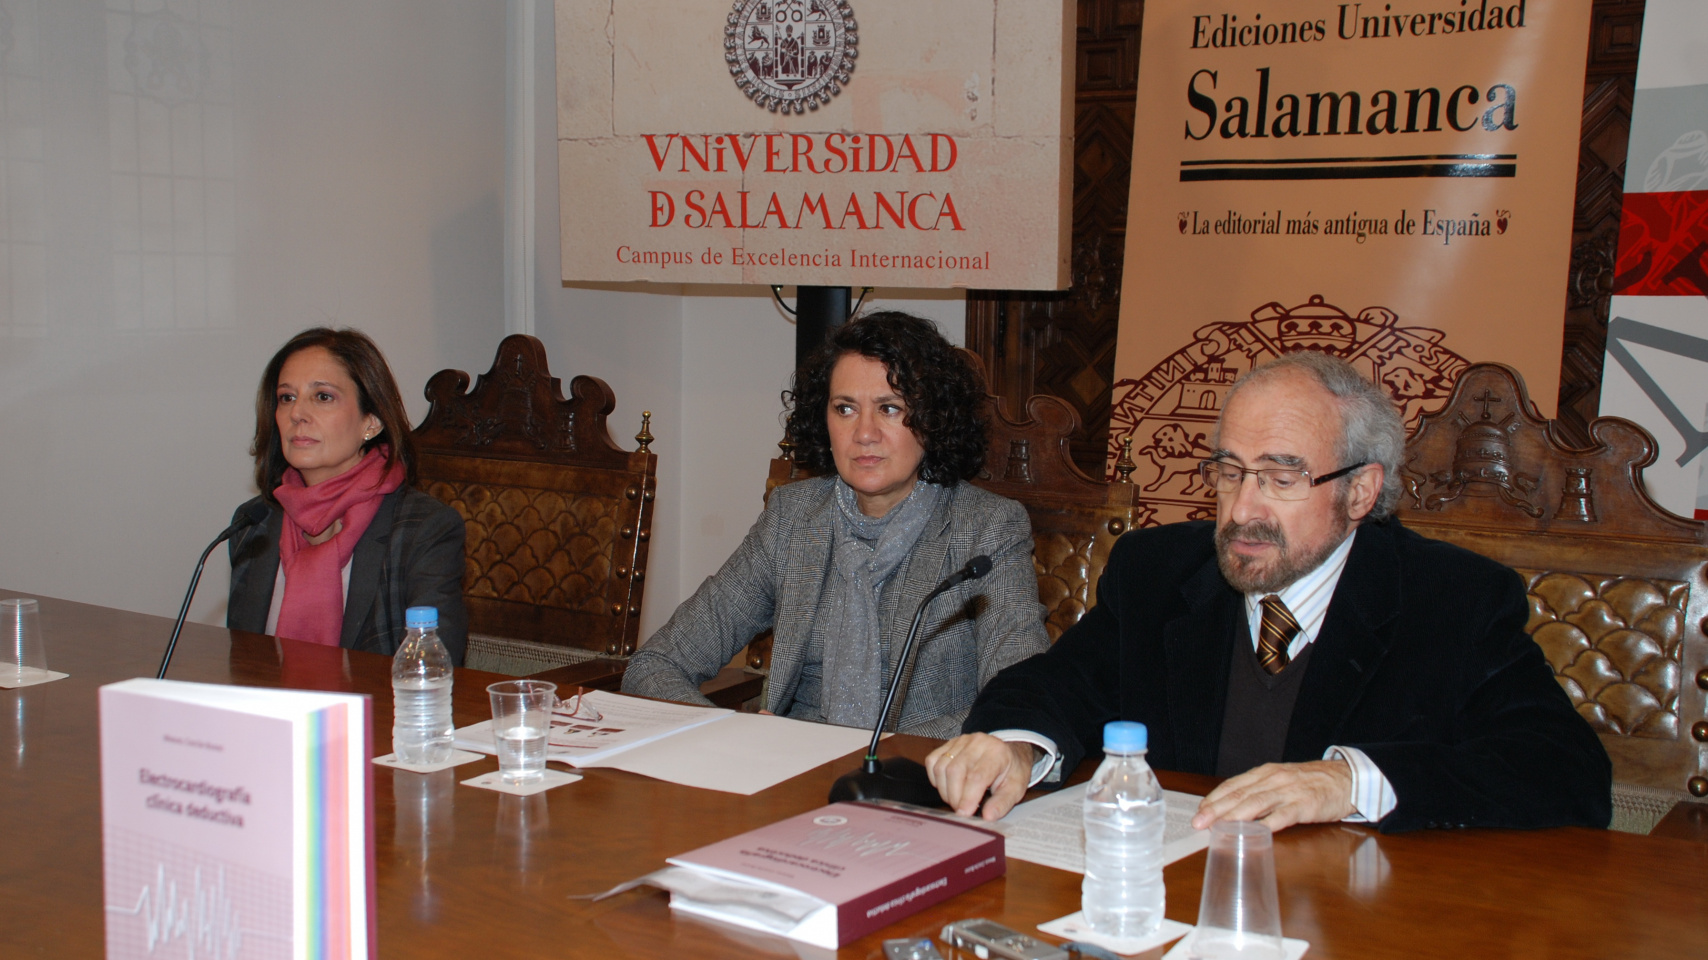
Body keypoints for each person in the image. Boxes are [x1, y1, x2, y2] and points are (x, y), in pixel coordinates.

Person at [927, 351, 1612, 832]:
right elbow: (1063, 683)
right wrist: (1014, 744)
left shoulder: (1450, 599)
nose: (1242, 509)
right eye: (1229, 471)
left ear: (1361, 490)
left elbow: (1563, 770)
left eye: (1282, 478)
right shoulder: (1161, 571)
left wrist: (1348, 783)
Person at [622, 312, 1052, 737]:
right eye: (845, 408)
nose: (864, 433)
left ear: (933, 420)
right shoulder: (792, 517)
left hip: (912, 777)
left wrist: (869, 757)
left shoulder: (986, 528)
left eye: (889, 408)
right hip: (785, 773)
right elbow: (656, 663)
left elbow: (1017, 701)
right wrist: (731, 735)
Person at [228, 328, 468, 665]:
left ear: (371, 421)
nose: (297, 413)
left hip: (378, 715)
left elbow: (433, 670)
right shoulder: (254, 525)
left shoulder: (424, 529)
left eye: (323, 396)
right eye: (286, 397)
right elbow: (243, 666)